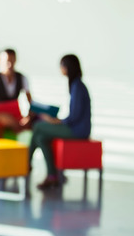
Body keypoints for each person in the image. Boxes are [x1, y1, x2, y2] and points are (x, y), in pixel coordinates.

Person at [29, 54, 91, 189]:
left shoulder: (77, 87)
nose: (60, 69)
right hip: (76, 127)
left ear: (67, 67)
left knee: (38, 126)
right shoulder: (76, 85)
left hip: (77, 131)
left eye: (61, 65)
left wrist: (56, 121)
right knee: (41, 138)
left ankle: (26, 164)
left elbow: (74, 116)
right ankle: (52, 175)